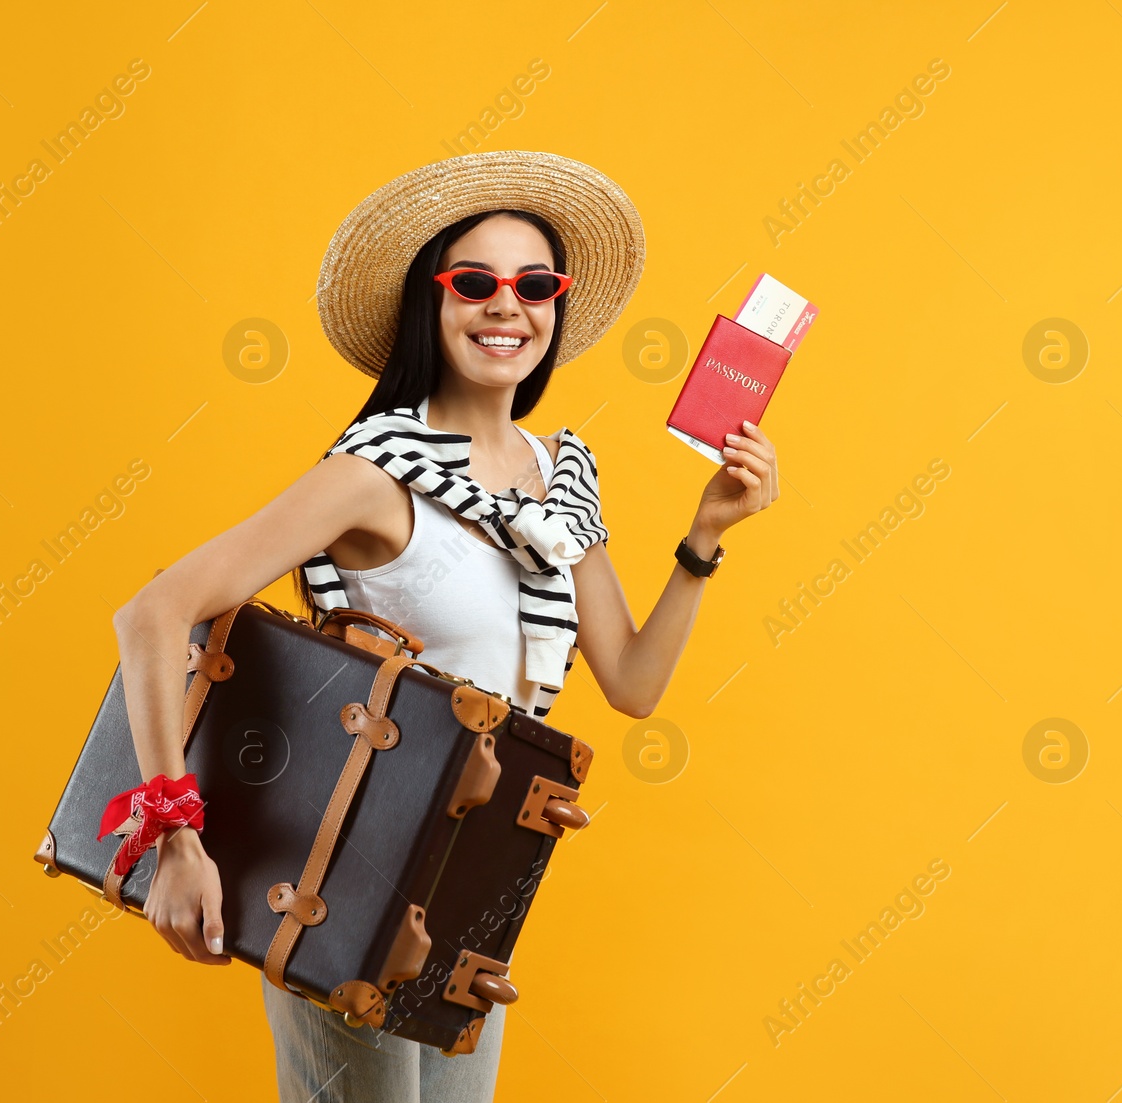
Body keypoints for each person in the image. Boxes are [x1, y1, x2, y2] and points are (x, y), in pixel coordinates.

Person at [110, 150, 781, 1102]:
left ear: (555, 307)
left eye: (534, 284)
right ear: (432, 304)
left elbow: (631, 682)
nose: (507, 306)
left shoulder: (563, 479)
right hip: (348, 858)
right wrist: (176, 837)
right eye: (476, 282)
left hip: (478, 876)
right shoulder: (376, 469)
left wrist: (705, 536)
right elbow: (154, 612)